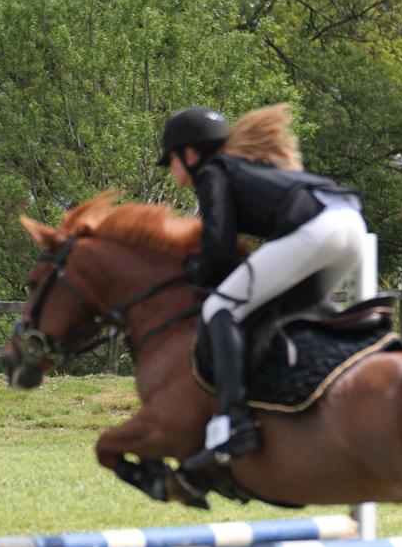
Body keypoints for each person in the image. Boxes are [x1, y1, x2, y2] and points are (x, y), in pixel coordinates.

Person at [157, 104, 368, 469]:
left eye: (171, 159)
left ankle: (233, 423)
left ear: (189, 154)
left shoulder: (213, 171)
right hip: (351, 226)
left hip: (316, 228)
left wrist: (194, 272)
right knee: (288, 313)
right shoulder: (245, 168)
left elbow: (219, 246)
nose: (172, 169)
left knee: (219, 308)